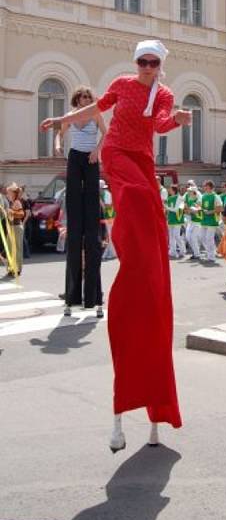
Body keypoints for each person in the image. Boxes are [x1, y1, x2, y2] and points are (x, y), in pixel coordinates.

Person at [40, 39, 191, 451]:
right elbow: (97, 108)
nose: (145, 67)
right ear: (135, 63)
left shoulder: (163, 93)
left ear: (159, 65)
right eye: (141, 61)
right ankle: (128, 239)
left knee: (152, 210)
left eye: (152, 62)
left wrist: (176, 118)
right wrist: (62, 121)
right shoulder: (124, 84)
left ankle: (145, 260)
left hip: (143, 159)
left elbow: (160, 123)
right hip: (119, 157)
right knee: (138, 198)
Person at [54, 86, 107, 317]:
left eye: (89, 97)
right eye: (82, 97)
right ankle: (72, 297)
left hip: (91, 158)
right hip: (75, 157)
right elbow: (59, 132)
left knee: (91, 213)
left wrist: (97, 151)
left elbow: (106, 133)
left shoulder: (95, 113)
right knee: (75, 219)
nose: (86, 99)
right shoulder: (71, 114)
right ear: (77, 99)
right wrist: (57, 145)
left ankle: (93, 299)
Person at [199, 180, 223, 264]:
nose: (204, 187)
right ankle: (211, 252)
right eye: (204, 186)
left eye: (205, 186)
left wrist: (210, 212)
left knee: (209, 238)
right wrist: (197, 208)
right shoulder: (203, 196)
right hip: (204, 219)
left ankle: (211, 256)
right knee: (202, 237)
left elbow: (220, 208)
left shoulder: (216, 196)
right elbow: (200, 206)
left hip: (212, 220)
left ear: (210, 187)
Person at [5, 183, 25, 277]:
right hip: (11, 227)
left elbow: (21, 214)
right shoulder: (12, 202)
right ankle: (11, 268)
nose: (8, 194)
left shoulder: (17, 202)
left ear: (13, 193)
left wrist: (12, 212)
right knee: (10, 248)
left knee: (16, 249)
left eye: (9, 192)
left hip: (16, 227)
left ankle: (17, 269)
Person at [166, 184, 185, 259]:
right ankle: (172, 252)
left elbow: (176, 209)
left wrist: (166, 207)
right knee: (171, 237)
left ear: (174, 190)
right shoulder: (169, 198)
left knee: (177, 236)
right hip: (171, 220)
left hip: (177, 220)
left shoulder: (179, 198)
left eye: (170, 189)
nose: (168, 190)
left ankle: (182, 251)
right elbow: (168, 210)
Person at [184, 185, 202, 259]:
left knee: (193, 237)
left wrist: (192, 209)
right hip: (191, 221)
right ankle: (196, 252)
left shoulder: (199, 200)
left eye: (190, 191)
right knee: (188, 237)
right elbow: (187, 211)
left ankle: (197, 254)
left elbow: (199, 209)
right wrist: (187, 209)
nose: (188, 192)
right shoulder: (190, 199)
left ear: (194, 192)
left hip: (198, 222)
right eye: (188, 191)